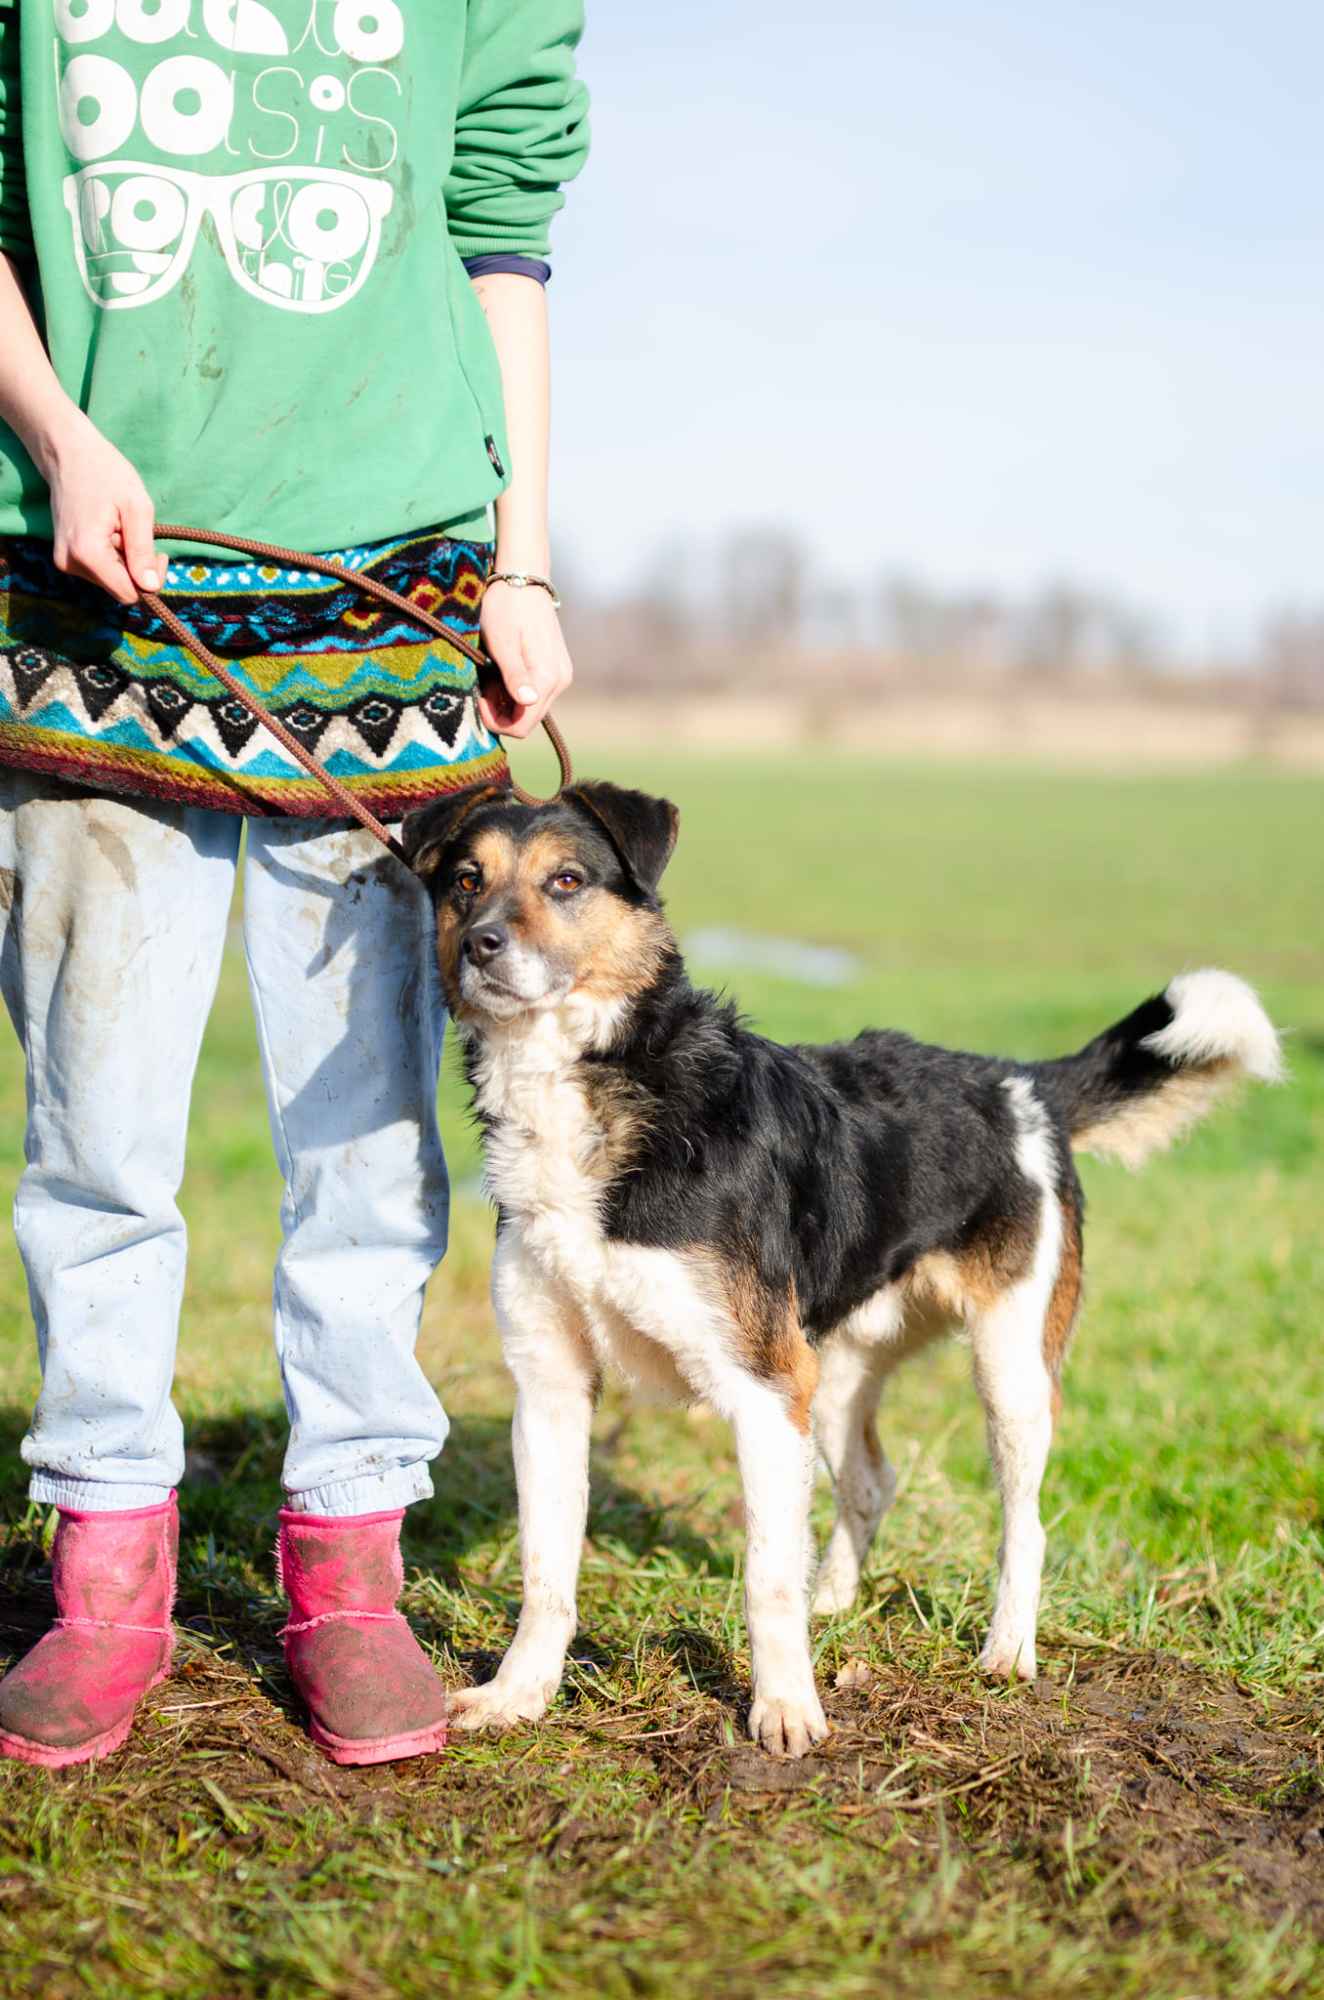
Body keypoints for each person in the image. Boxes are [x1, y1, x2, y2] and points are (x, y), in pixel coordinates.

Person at [0, 0, 588, 1769]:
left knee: (368, 1130)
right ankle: (106, 1564)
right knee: (96, 1122)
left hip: (390, 606)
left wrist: (522, 563)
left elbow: (500, 232)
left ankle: (350, 1563)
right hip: (97, 591)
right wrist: (57, 437)